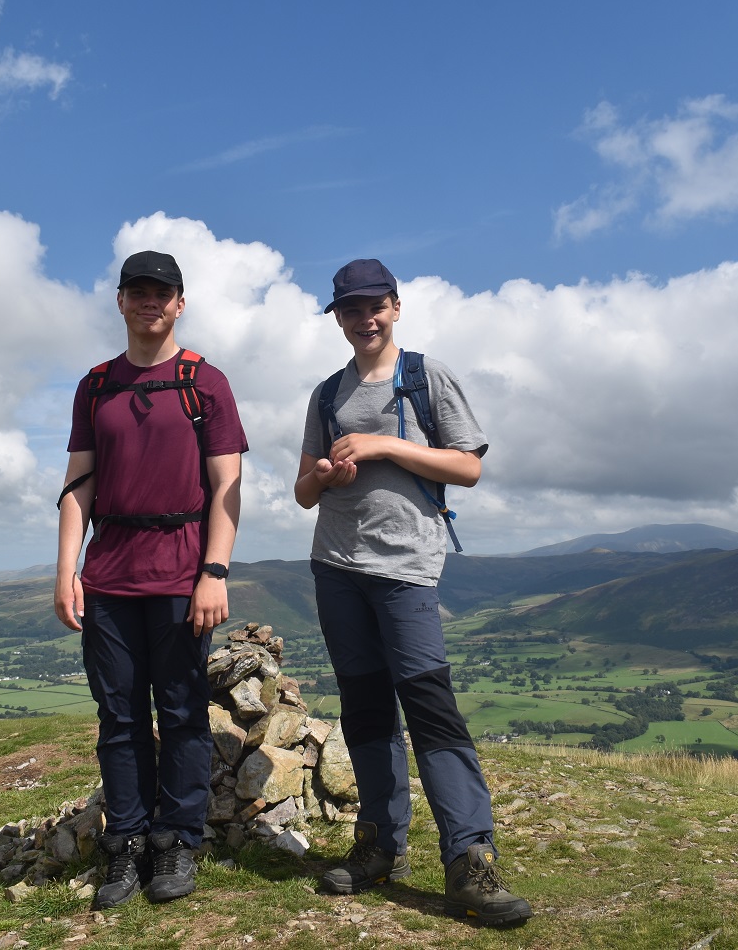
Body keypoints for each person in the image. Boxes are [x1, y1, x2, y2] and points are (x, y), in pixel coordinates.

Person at [294, 258, 531, 926]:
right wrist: (325, 473)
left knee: (430, 707)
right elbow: (303, 492)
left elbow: (468, 466)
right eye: (350, 309)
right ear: (338, 318)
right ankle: (379, 846)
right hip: (336, 565)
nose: (364, 319)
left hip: (406, 568)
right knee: (367, 708)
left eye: (375, 306)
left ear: (396, 307)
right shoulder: (326, 395)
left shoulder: (425, 377)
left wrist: (382, 447)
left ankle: (471, 860)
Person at [53, 249, 247, 910]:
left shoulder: (205, 383)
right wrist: (67, 570)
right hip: (109, 574)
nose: (149, 302)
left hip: (181, 573)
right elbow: (79, 485)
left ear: (180, 304)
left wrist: (214, 571)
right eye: (137, 291)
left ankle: (177, 840)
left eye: (161, 293)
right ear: (120, 302)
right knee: (119, 716)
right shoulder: (96, 386)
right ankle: (127, 841)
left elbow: (227, 486)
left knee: (184, 711)